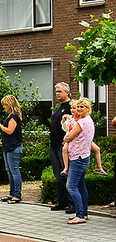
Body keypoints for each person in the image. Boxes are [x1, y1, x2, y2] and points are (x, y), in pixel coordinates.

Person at [64, 98, 95, 224]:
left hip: (78, 157)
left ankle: (80, 215)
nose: (79, 109)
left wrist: (68, 136)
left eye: (82, 107)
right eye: (78, 107)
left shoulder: (82, 122)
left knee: (71, 185)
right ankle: (84, 212)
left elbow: (69, 136)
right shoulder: (89, 121)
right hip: (84, 156)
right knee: (81, 186)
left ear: (88, 109)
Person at [0, 95, 23, 204]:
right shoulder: (10, 116)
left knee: (14, 170)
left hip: (13, 146)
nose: (4, 106)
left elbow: (10, 131)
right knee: (10, 171)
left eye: (5, 104)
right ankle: (12, 192)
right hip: (8, 146)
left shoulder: (14, 116)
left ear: (10, 104)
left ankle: (17, 194)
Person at [60, 100, 105, 177]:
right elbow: (66, 128)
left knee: (97, 149)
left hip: (79, 140)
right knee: (64, 149)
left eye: (76, 108)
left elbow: (76, 129)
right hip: (74, 138)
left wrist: (71, 120)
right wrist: (63, 121)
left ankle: (100, 168)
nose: (74, 110)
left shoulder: (81, 120)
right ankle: (66, 168)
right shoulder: (77, 119)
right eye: (73, 108)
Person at [49, 82, 74, 213]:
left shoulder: (71, 107)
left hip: (63, 145)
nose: (57, 94)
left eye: (59, 91)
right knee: (58, 174)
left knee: (67, 173)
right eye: (56, 91)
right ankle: (61, 201)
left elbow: (74, 124)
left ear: (67, 92)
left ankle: (71, 202)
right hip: (54, 144)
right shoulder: (59, 107)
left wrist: (67, 140)